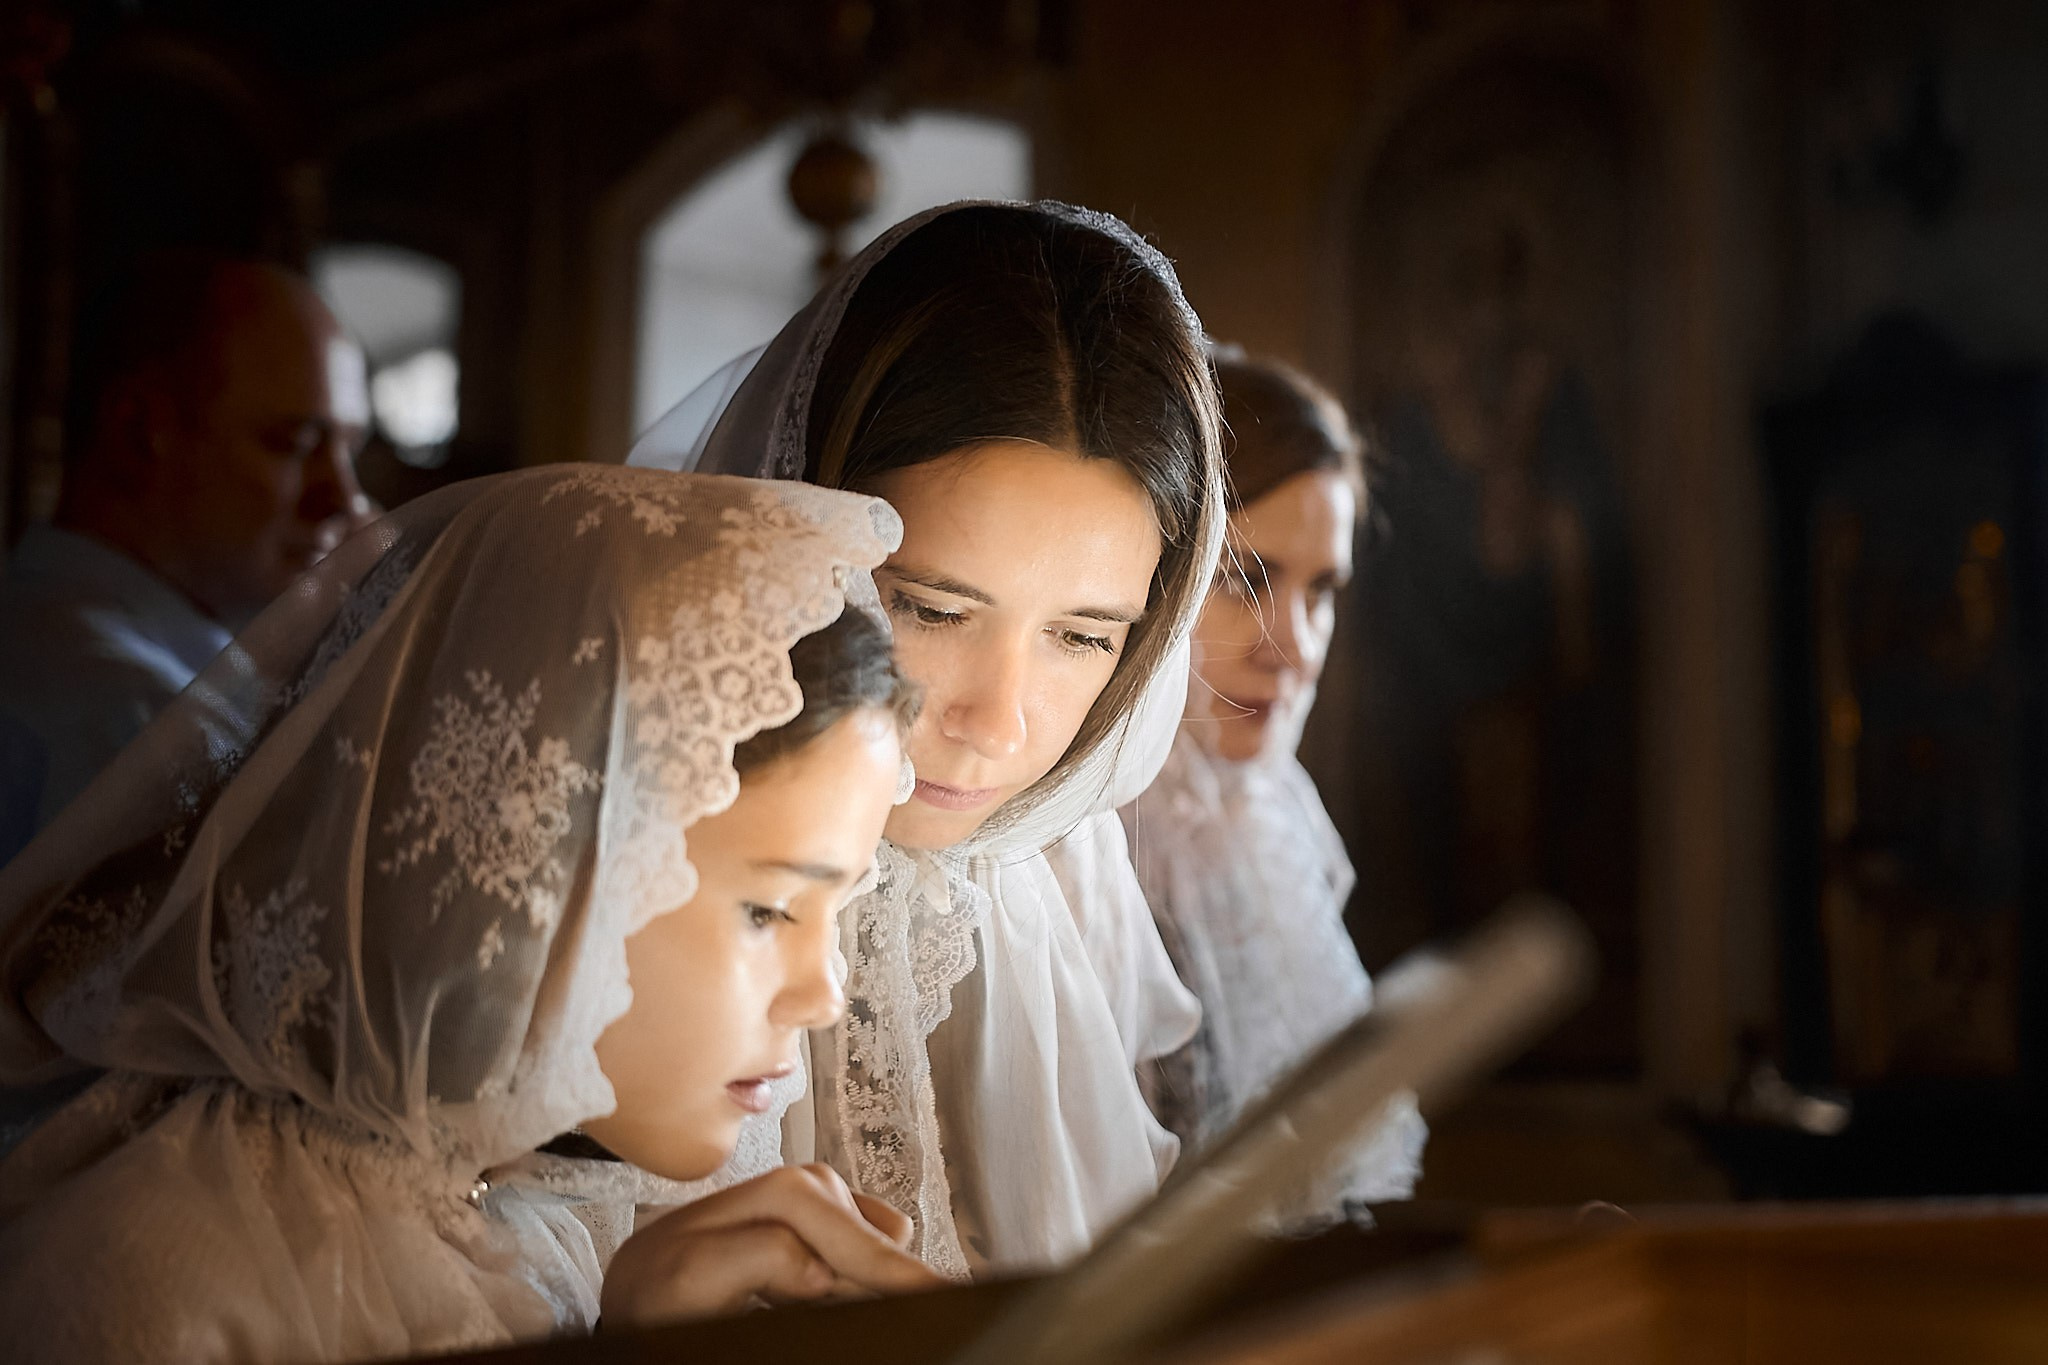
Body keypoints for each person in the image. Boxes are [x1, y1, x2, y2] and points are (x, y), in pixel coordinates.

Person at [0, 466, 942, 1362]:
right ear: (535, 858)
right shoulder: (156, 1287)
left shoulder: (542, 1215)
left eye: (842, 904)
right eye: (771, 909)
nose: (823, 997)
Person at [631, 201, 1227, 1273]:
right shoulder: (637, 872)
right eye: (931, 611)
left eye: (1081, 638)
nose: (996, 724)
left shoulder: (1067, 878)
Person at [1120, 349, 1426, 1219]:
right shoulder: (1086, 850)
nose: (1290, 645)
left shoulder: (1275, 825)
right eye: (1244, 578)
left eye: (1321, 589)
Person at [0, 251, 377, 864]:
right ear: (139, 429)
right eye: (296, 443)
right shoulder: (147, 725)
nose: (346, 498)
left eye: (350, 450)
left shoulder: (42, 633)